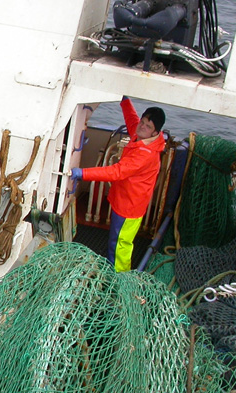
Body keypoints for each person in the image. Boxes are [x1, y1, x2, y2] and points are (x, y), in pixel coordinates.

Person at [71, 97, 166, 272]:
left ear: (155, 133)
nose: (142, 126)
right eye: (143, 122)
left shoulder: (145, 155)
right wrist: (125, 100)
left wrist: (82, 173)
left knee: (120, 244)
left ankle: (119, 279)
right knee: (116, 240)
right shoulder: (142, 136)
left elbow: (116, 172)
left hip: (129, 207)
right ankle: (113, 267)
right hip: (124, 200)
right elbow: (132, 119)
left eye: (148, 126)